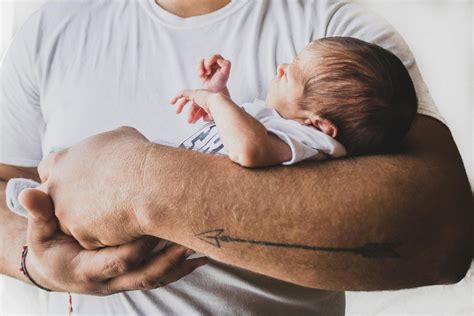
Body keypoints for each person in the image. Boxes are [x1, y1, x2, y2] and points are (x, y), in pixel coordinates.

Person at [0, 0, 471, 315]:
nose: (284, 73)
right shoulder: (51, 28)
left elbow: (444, 235)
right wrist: (35, 263)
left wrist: (140, 181)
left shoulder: (343, 43)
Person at [171, 37, 417, 167]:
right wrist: (220, 92)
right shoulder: (282, 124)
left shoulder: (312, 142)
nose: (281, 68)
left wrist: (213, 101)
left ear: (318, 125)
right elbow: (233, 132)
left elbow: (247, 149)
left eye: (289, 75)